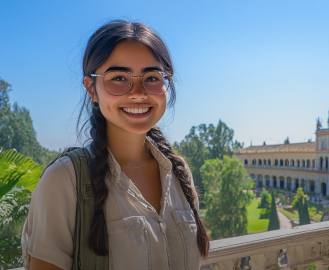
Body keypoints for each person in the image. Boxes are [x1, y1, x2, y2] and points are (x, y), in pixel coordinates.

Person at [21, 20, 209, 270]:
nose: (138, 92)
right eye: (119, 77)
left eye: (151, 77)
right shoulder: (64, 181)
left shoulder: (179, 172)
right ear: (92, 89)